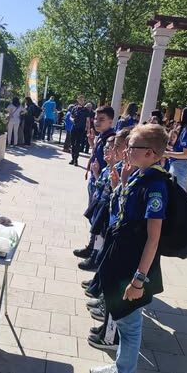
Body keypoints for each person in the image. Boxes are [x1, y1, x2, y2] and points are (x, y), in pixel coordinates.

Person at [89, 124, 169, 373]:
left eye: (132, 147)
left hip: (134, 266)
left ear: (150, 153)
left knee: (130, 324)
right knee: (124, 321)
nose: (126, 151)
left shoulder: (155, 185)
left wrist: (138, 281)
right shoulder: (138, 175)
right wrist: (121, 183)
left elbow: (153, 238)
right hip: (122, 258)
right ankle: (121, 369)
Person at [73, 106, 115, 259]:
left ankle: (95, 251)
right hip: (95, 180)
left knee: (98, 218)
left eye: (102, 119)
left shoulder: (111, 139)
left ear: (111, 121)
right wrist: (92, 143)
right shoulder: (102, 136)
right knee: (94, 216)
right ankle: (92, 247)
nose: (97, 122)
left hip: (102, 183)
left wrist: (96, 175)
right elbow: (97, 155)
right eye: (96, 118)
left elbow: (110, 162)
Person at [164, 106, 187, 192]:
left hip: (179, 166)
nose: (181, 116)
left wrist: (167, 153)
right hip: (181, 165)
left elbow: (186, 154)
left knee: (176, 193)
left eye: (183, 114)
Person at [69, 95, 91, 166]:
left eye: (83, 100)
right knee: (72, 144)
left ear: (84, 101)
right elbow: (71, 116)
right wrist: (72, 119)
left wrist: (88, 129)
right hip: (74, 128)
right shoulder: (74, 108)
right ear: (78, 100)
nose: (81, 101)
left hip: (81, 129)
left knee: (78, 144)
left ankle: (76, 159)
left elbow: (88, 120)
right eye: (80, 100)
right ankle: (72, 158)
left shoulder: (86, 110)